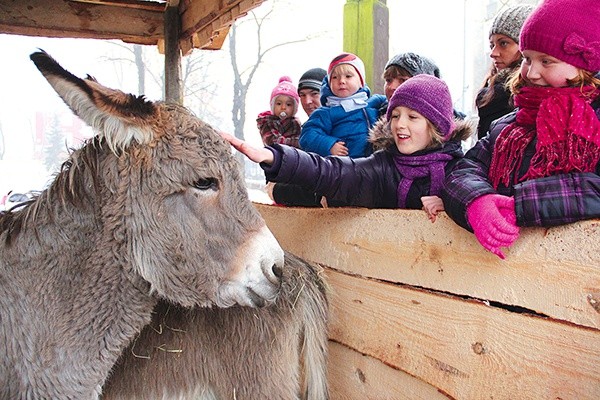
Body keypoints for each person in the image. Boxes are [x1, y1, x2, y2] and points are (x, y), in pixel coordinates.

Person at [442, 0, 600, 259]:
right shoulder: (510, 123)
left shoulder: (594, 121)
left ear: (584, 66)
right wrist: (476, 200)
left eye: (546, 61)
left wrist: (519, 204)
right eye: (527, 58)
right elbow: (463, 169)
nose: (532, 73)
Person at [224, 74, 472, 221]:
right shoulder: (383, 165)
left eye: (413, 117)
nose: (399, 125)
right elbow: (333, 171)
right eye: (395, 115)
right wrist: (275, 158)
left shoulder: (459, 168)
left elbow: (478, 194)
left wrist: (451, 204)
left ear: (436, 124)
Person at [372, 52, 466, 151]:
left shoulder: (454, 158)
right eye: (388, 80)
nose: (392, 87)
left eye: (403, 81)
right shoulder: (372, 116)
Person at [299, 53, 386, 158]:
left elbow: (393, 101)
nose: (341, 81)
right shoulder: (326, 112)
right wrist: (329, 145)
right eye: (335, 77)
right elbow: (307, 136)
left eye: (348, 76)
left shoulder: (374, 102)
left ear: (361, 82)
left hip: (374, 165)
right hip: (344, 167)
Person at [475, 4, 534, 139]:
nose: (493, 53)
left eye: (503, 43)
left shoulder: (530, 96)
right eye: (492, 45)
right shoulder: (490, 91)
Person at [256, 76, 302, 148]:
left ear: (294, 108)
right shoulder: (266, 121)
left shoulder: (295, 124)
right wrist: (295, 143)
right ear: (273, 105)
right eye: (279, 104)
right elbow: (272, 141)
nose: (283, 107)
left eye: (288, 104)